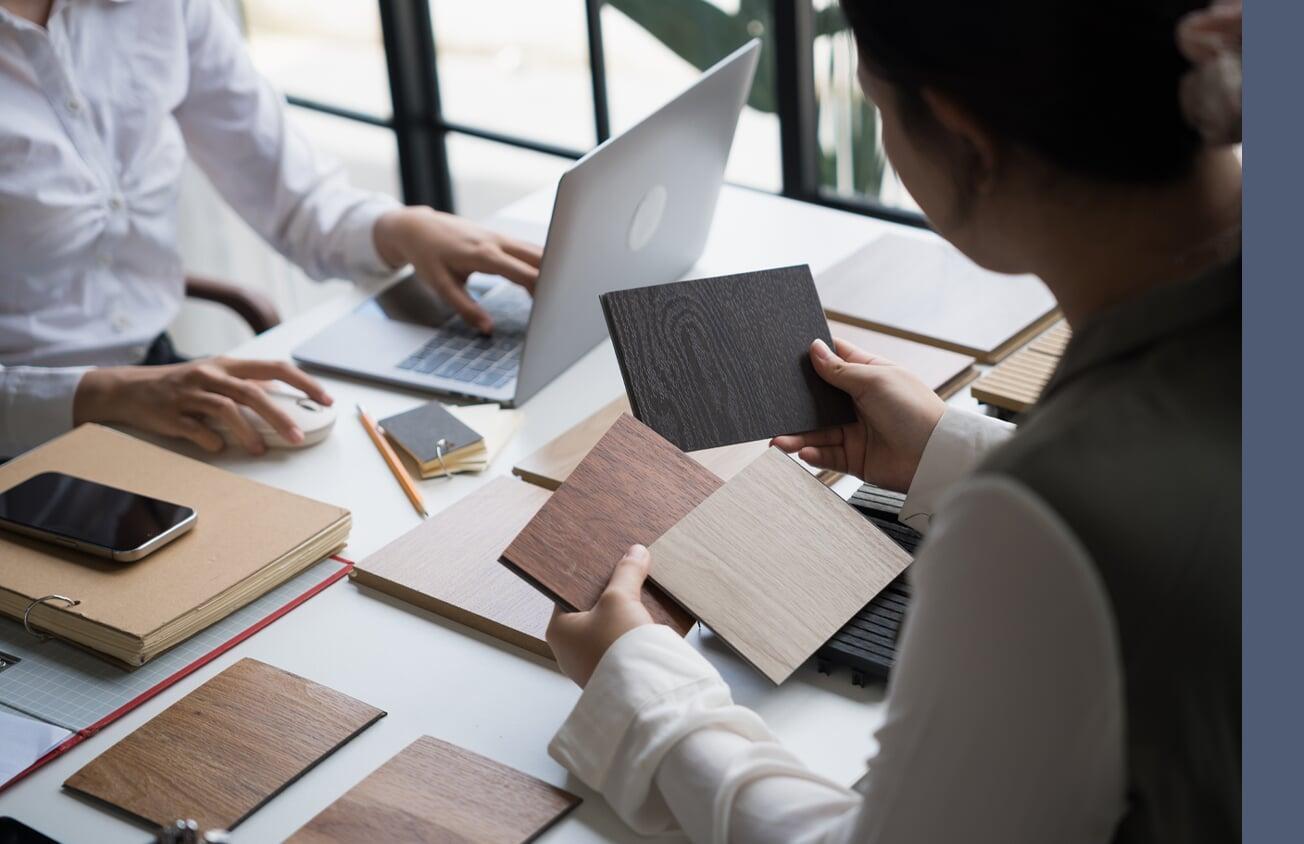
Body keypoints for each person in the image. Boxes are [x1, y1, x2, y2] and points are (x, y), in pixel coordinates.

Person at [544, 1, 1242, 842]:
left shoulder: (1045, 522)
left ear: (962, 138)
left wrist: (642, 691)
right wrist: (955, 455)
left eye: (877, 108)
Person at [0, 0, 541, 458]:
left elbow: (294, 195)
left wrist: (403, 227)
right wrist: (101, 393)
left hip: (156, 380)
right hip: (24, 426)